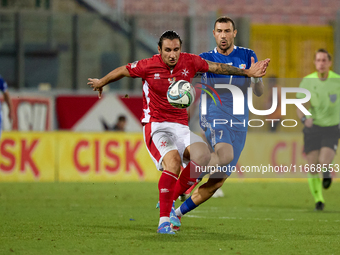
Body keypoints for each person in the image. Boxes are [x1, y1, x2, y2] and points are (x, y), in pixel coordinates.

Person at [88, 30, 270, 234]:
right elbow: (123, 70)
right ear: (159, 50)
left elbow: (218, 67)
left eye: (176, 49)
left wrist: (247, 73)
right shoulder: (148, 65)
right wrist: (101, 82)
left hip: (180, 126)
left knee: (202, 156)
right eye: (167, 50)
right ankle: (164, 221)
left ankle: (170, 199)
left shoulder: (190, 62)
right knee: (173, 162)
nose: (172, 54)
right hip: (156, 126)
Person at [174, 16, 266, 227]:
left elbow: (259, 92)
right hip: (214, 115)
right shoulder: (205, 58)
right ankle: (182, 185)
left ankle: (176, 213)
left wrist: (257, 77)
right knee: (225, 155)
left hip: (240, 123)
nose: (223, 35)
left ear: (234, 33)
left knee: (217, 182)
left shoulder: (248, 55)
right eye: (219, 31)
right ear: (213, 34)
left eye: (227, 31)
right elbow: (185, 81)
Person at [296, 48, 340, 211]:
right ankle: (319, 200)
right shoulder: (307, 81)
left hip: (332, 128)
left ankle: (327, 171)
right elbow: (299, 105)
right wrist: (304, 118)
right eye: (318, 60)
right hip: (313, 128)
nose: (321, 64)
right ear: (315, 63)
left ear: (329, 63)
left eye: (324, 60)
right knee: (312, 166)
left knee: (323, 162)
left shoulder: (337, 81)